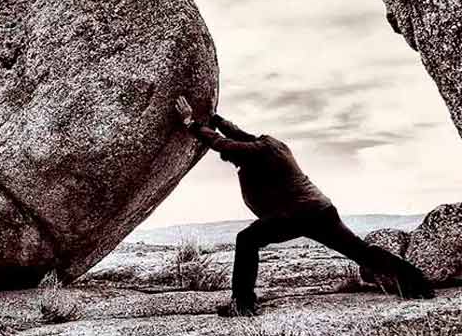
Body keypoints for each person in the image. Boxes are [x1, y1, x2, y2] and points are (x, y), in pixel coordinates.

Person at [174, 95, 435, 317]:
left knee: (246, 240)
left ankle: (242, 303)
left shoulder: (255, 153)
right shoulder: (270, 144)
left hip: (294, 214)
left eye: (230, 159)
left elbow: (222, 143)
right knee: (361, 251)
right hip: (320, 210)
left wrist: (190, 123)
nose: (229, 160)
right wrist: (217, 119)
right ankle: (416, 282)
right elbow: (238, 135)